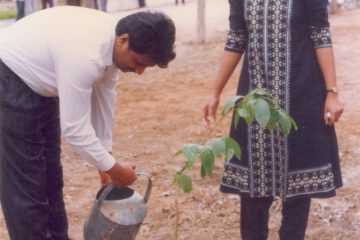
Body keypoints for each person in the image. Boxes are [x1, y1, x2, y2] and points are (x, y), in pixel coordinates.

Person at [0, 7, 176, 240]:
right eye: (138, 62)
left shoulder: (113, 43)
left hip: (41, 84)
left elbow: (103, 103)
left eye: (146, 66)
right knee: (26, 188)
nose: (140, 71)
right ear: (123, 40)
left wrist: (105, 162)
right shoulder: (86, 54)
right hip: (9, 76)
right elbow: (74, 129)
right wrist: (115, 169)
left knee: (50, 178)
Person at [202, 0, 344, 239]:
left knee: (299, 183)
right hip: (254, 102)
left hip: (302, 93)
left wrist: (332, 92)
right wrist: (215, 91)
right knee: (253, 186)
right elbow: (236, 37)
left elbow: (320, 33)